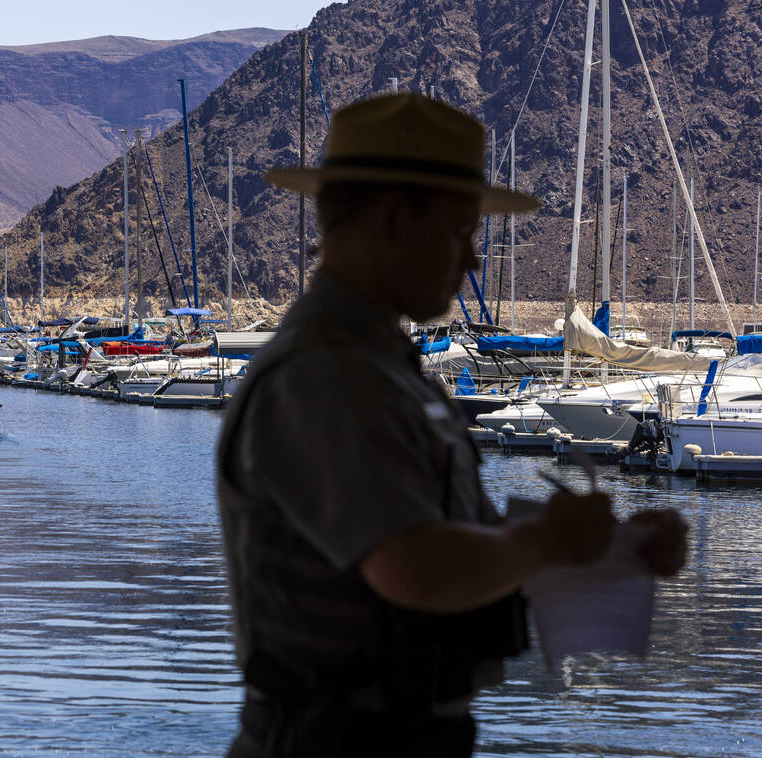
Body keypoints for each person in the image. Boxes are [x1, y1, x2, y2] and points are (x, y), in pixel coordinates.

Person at [216, 94, 688, 757]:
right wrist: (551, 543)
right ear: (392, 218)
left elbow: (442, 544)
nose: (471, 260)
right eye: (460, 229)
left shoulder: (381, 374)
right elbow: (417, 570)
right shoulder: (326, 378)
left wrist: (606, 545)